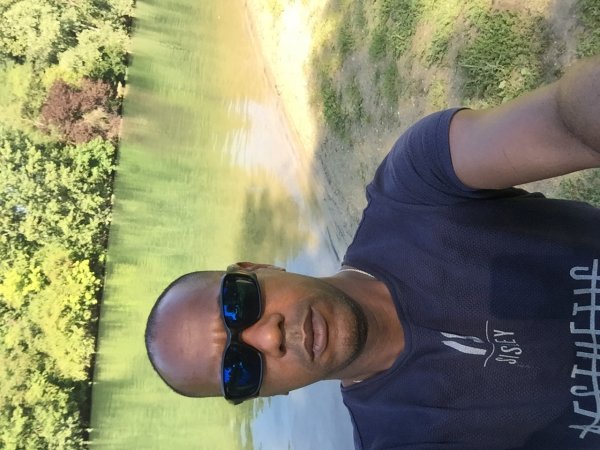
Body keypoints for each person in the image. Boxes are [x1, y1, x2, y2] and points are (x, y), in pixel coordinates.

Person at [145, 56, 600, 449]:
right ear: (264, 393)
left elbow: (564, 119)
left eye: (238, 303)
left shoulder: (416, 189)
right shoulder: (403, 441)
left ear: (257, 268)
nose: (269, 337)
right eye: (239, 369)